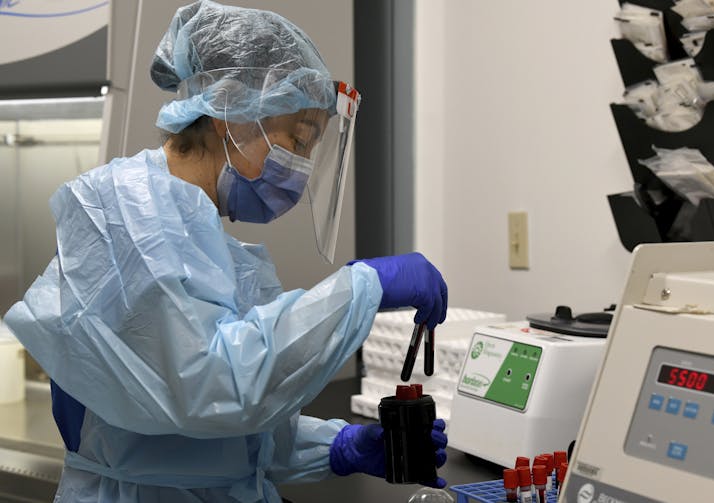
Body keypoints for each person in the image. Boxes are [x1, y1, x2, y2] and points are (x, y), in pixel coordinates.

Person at [2, 1, 449, 502]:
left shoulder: (198, 235)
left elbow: (219, 435)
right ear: (229, 109)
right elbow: (214, 389)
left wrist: (338, 447)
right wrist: (363, 287)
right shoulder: (132, 218)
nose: (300, 168)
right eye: (298, 140)